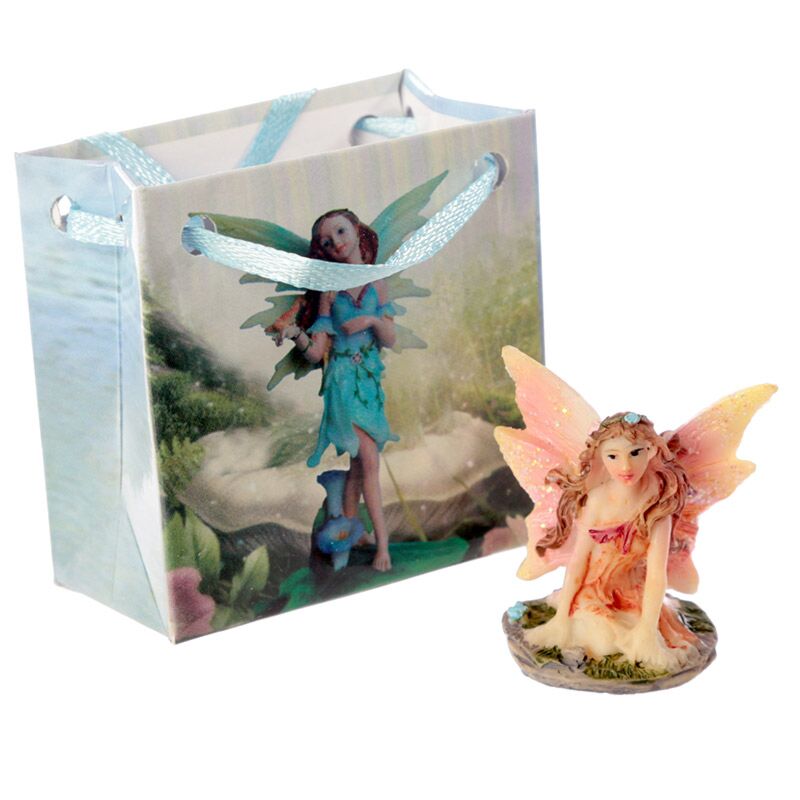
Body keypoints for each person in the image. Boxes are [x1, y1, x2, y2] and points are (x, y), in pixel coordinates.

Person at [274, 209, 398, 571]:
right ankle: (383, 546)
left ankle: (351, 530)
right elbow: (316, 353)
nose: (336, 243)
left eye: (341, 232)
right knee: (369, 460)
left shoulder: (377, 281)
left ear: (357, 230)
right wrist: (295, 333)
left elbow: (390, 338)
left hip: (369, 383)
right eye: (326, 242)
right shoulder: (329, 293)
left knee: (359, 463)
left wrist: (371, 319)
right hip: (342, 381)